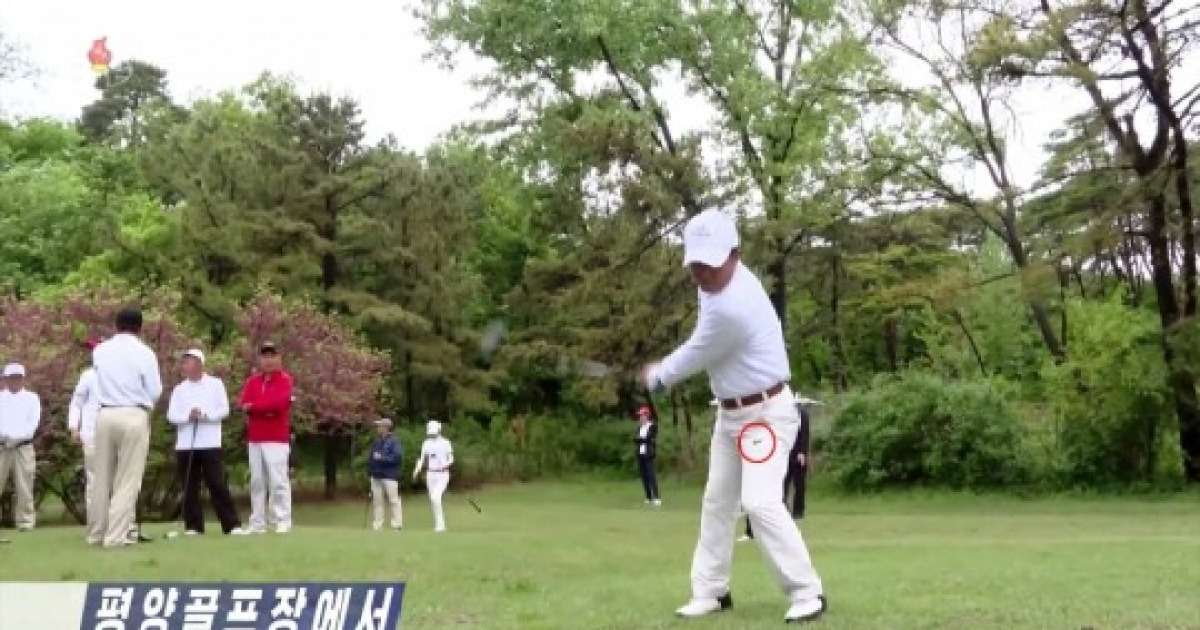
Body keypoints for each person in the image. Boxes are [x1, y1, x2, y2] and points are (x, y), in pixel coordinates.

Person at [639, 209, 826, 623]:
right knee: (716, 502)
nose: (701, 272)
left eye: (710, 263)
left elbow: (698, 351)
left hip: (765, 414)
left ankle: (807, 591)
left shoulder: (734, 305)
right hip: (731, 415)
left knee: (759, 503)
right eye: (695, 264)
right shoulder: (711, 287)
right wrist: (662, 374)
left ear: (734, 254)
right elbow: (701, 345)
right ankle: (711, 592)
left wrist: (659, 376)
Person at [91, 307, 163, 548]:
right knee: (128, 479)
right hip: (133, 413)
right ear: (140, 327)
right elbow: (155, 390)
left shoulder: (100, 351)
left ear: (116, 325)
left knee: (102, 477)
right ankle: (116, 536)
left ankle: (97, 532)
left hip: (105, 413)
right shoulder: (144, 352)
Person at [166, 348, 247, 536]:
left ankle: (231, 525)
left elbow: (224, 410)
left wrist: (205, 415)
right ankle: (193, 526)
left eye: (188, 361)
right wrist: (188, 416)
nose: (184, 365)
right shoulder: (179, 389)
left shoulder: (215, 384)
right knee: (189, 486)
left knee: (217, 483)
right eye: (183, 362)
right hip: (186, 444)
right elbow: (172, 415)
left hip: (210, 442)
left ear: (199, 364)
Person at [239, 341, 294, 534]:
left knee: (278, 480)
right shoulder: (253, 381)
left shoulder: (285, 380)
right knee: (257, 481)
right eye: (265, 356)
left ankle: (282, 519)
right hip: (255, 438)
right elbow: (244, 403)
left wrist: (256, 408)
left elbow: (278, 404)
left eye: (272, 356)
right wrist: (260, 408)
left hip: (276, 438)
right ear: (260, 359)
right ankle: (257, 523)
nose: (268, 360)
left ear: (279, 358)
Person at [740, 395, 813, 542]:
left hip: (789, 456)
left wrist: (802, 452)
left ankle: (793, 517)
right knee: (764, 493)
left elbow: (803, 435)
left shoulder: (801, 415)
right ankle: (753, 530)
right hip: (770, 457)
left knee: (791, 488)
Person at [68, 338, 102, 540]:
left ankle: (120, 525)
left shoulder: (117, 374)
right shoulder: (88, 375)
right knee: (93, 480)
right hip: (91, 434)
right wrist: (74, 427)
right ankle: (95, 526)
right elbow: (77, 402)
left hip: (114, 432)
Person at [0, 363, 41, 532]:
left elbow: (33, 423)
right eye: (11, 377)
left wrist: (17, 438)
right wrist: (6, 436)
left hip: (23, 446)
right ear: (5, 379)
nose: (14, 380)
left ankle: (25, 522)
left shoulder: (32, 398)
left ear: (23, 378)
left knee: (25, 485)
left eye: (18, 377)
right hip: (2, 445)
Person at [412, 420, 453, 533]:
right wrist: (417, 470)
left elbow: (451, 459)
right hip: (431, 474)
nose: (432, 434)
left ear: (439, 430)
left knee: (436, 496)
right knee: (433, 499)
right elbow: (422, 458)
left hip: (443, 474)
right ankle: (439, 524)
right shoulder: (426, 443)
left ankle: (441, 525)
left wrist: (445, 464)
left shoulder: (446, 442)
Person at [367, 418, 403, 531]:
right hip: (376, 476)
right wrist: (370, 472)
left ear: (386, 428)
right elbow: (371, 458)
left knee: (393, 500)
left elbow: (397, 458)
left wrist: (382, 458)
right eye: (378, 426)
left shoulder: (394, 441)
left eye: (380, 426)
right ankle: (378, 525)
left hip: (389, 476)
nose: (378, 428)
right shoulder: (376, 441)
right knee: (378, 502)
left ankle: (397, 524)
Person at [634, 404, 661, 506]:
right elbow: (636, 439)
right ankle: (648, 497)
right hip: (640, 454)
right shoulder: (639, 427)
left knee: (651, 476)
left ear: (647, 415)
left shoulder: (652, 426)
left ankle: (657, 497)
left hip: (649, 454)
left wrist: (641, 439)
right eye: (640, 416)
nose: (640, 417)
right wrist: (642, 440)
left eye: (642, 415)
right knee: (644, 476)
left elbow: (649, 439)